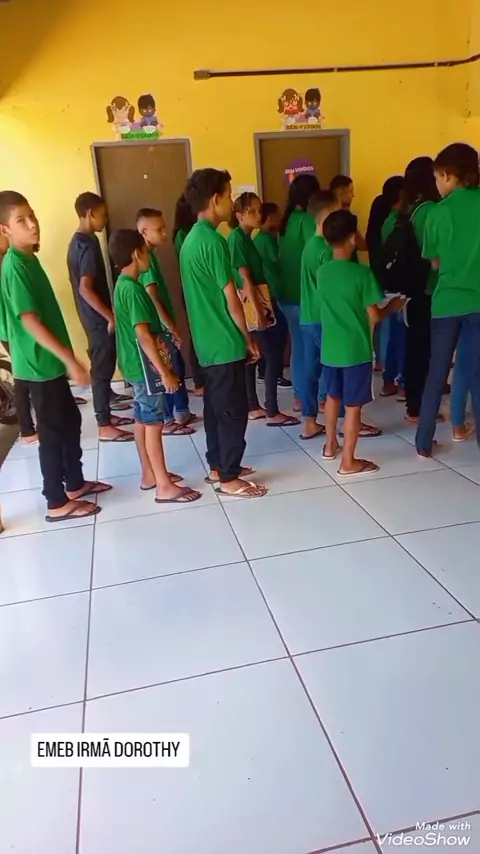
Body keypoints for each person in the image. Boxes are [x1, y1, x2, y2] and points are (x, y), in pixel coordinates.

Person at [0, 190, 111, 521]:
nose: (32, 224)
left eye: (32, 216)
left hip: (47, 364)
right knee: (51, 434)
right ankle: (56, 501)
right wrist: (70, 359)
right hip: (38, 365)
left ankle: (74, 484)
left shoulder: (28, 259)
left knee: (70, 421)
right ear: (5, 230)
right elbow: (29, 321)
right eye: (21, 221)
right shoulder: (14, 266)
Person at [180, 168, 267, 498]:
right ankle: (229, 478)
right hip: (224, 340)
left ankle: (218, 466)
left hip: (206, 341)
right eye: (229, 196)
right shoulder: (214, 242)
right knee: (232, 412)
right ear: (215, 199)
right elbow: (231, 299)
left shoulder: (190, 240)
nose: (231, 202)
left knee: (216, 409)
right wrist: (247, 338)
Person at [109, 228, 201, 503]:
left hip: (134, 366)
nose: (149, 256)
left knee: (141, 418)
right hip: (145, 369)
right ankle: (163, 485)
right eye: (146, 251)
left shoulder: (122, 284)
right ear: (137, 254)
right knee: (154, 423)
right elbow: (144, 336)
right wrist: (165, 372)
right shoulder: (134, 291)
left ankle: (149, 474)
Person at [319, 209, 405, 475]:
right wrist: (392, 306)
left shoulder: (322, 272)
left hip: (330, 348)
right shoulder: (362, 274)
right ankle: (348, 461)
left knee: (332, 396)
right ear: (352, 237)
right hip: (355, 350)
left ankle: (330, 445)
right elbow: (374, 316)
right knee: (353, 406)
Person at [416, 143, 480, 457]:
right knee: (477, 375)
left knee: (437, 372)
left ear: (447, 175)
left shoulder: (437, 212)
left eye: (437, 178)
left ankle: (423, 443)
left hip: (446, 304)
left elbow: (435, 262)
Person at [67, 191, 134, 443]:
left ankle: (107, 408)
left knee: (103, 365)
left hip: (92, 318)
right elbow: (85, 288)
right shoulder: (85, 245)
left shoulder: (81, 241)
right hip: (97, 320)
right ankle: (104, 424)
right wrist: (110, 316)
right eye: (102, 215)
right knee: (102, 368)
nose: (105, 220)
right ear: (90, 213)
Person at [227, 193, 298, 426]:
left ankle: (253, 406)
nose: (259, 215)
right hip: (252, 302)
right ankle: (271, 410)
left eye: (260, 210)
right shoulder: (237, 238)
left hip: (258, 298)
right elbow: (245, 277)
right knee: (271, 354)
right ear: (240, 215)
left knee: (255, 354)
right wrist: (259, 312)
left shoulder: (248, 237)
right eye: (254, 211)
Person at [136, 207, 196, 436]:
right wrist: (171, 327)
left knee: (176, 368)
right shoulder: (145, 259)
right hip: (159, 329)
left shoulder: (150, 256)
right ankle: (169, 419)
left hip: (162, 328)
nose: (163, 233)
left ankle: (181, 412)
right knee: (167, 371)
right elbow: (152, 296)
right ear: (144, 232)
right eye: (158, 229)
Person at [396, 157, 442, 423]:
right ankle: (421, 409)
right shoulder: (431, 211)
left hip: (411, 289)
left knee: (415, 348)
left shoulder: (408, 210)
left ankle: (414, 405)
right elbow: (435, 256)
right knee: (426, 352)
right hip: (428, 288)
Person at [278, 173, 320, 410]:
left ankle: (299, 396)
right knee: (312, 351)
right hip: (306, 296)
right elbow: (316, 255)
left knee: (298, 347)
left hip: (286, 294)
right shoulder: (308, 221)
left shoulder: (286, 221)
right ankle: (313, 398)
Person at [365, 176, 405, 373]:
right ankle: (388, 368)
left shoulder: (381, 215)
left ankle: (382, 362)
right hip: (389, 278)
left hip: (379, 275)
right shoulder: (394, 221)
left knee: (383, 321)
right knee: (389, 322)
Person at [253, 201, 291, 388]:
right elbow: (279, 260)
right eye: (277, 216)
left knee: (266, 336)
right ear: (269, 218)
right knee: (278, 336)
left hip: (264, 293)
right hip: (273, 292)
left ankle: (264, 372)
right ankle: (275, 374)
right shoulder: (267, 240)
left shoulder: (256, 239)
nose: (280, 219)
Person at [172, 193, 204, 396]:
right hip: (191, 291)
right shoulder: (183, 235)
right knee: (196, 335)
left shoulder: (192, 232)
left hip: (195, 290)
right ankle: (199, 381)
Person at [378, 177, 407, 400]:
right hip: (401, 286)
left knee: (395, 335)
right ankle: (403, 381)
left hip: (390, 285)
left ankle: (389, 380)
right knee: (403, 335)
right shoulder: (399, 221)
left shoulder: (388, 220)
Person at [330, 174, 367, 255]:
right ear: (340, 192)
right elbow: (362, 245)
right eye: (350, 191)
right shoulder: (344, 218)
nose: (353, 195)